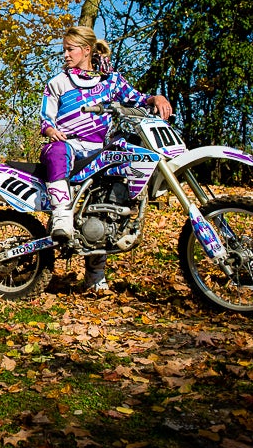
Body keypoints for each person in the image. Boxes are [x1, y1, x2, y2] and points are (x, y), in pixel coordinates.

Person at [39, 26, 173, 292]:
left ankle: (95, 274)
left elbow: (138, 99)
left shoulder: (110, 81)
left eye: (70, 49)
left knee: (103, 204)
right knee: (57, 150)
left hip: (99, 150)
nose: (65, 55)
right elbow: (46, 117)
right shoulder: (58, 83)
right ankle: (62, 215)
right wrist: (52, 130)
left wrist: (156, 97)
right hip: (68, 145)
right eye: (63, 49)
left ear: (86, 50)